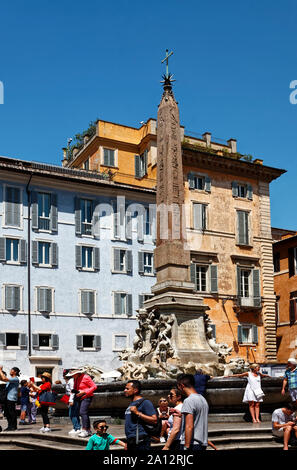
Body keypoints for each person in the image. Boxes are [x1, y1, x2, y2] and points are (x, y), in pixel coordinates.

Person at [177, 374, 209, 451]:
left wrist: (186, 446)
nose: (178, 390)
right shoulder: (203, 399)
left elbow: (189, 426)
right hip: (202, 443)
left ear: (182, 385)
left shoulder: (188, 401)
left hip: (191, 444)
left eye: (178, 387)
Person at [124, 380, 158, 451]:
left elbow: (154, 420)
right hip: (131, 439)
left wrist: (138, 413)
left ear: (135, 390)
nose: (125, 390)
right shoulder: (132, 404)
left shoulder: (145, 402)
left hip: (140, 439)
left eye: (127, 389)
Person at [66, 369, 97, 438]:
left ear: (78, 373)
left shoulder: (86, 377)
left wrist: (84, 392)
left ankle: (85, 430)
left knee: (82, 412)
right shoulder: (75, 379)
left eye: (73, 374)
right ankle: (88, 430)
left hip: (87, 396)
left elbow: (94, 386)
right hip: (79, 397)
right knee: (83, 413)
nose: (72, 376)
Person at [0, 365, 20, 431]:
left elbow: (4, 379)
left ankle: (14, 426)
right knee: (7, 413)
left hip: (11, 398)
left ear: (15, 372)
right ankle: (10, 426)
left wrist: (0, 370)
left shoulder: (15, 378)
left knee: (12, 412)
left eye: (11, 370)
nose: (10, 371)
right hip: (7, 397)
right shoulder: (11, 378)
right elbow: (2, 378)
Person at [63, 369, 81, 435]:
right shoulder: (72, 380)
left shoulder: (71, 381)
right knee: (74, 413)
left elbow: (72, 391)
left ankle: (77, 427)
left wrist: (71, 400)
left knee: (72, 414)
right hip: (73, 398)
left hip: (73, 398)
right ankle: (76, 427)